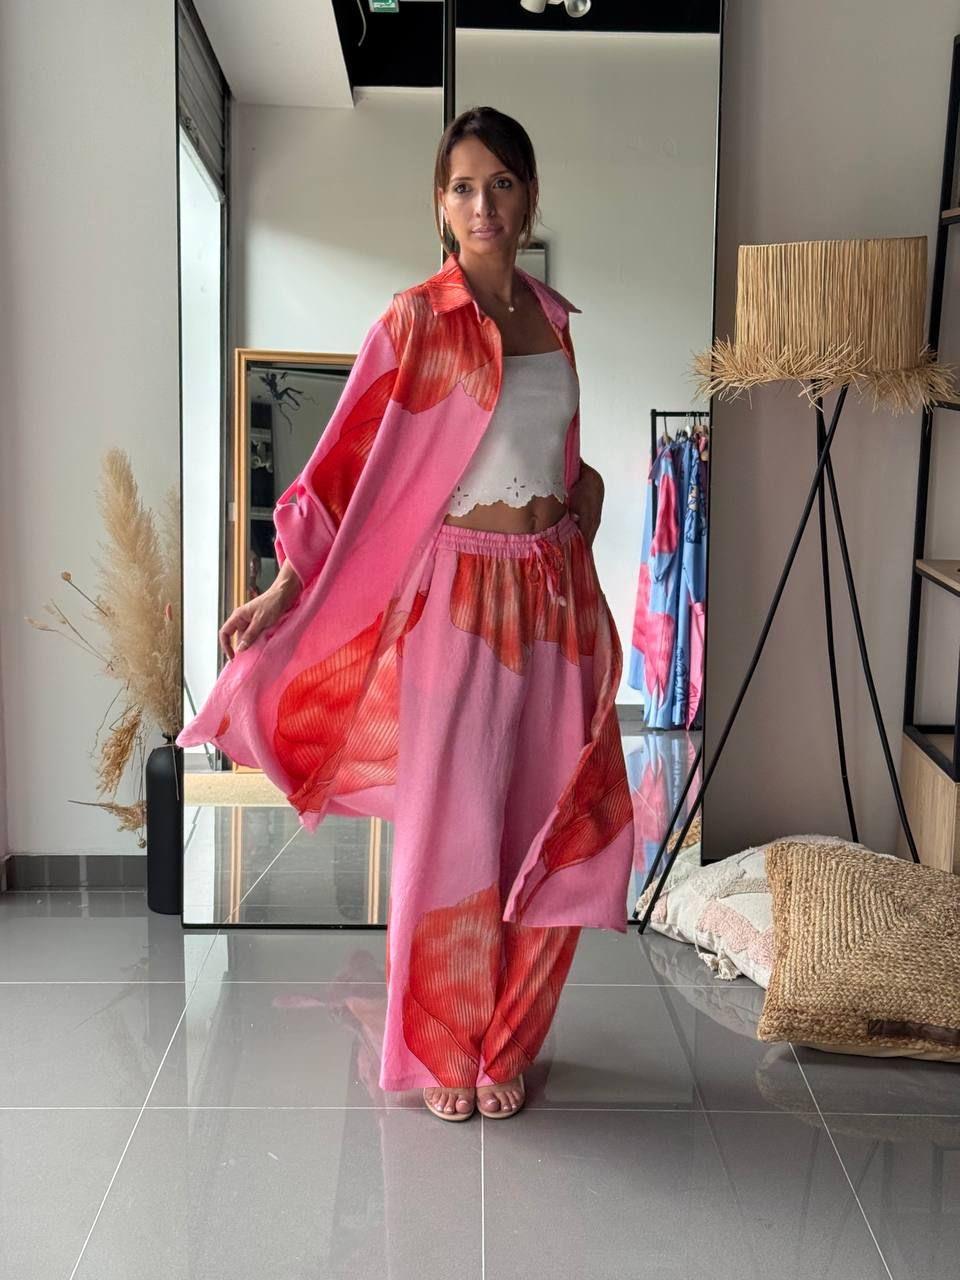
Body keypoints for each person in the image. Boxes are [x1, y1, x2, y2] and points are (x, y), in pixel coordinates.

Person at [177, 106, 638, 1123]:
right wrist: (284, 588)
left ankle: (506, 1041)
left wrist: (585, 499)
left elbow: (555, 456)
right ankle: (442, 1042)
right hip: (459, 602)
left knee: (549, 823)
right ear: (440, 204)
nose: (484, 204)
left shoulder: (554, 322)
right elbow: (342, 466)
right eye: (464, 186)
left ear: (529, 198)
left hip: (554, 600)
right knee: (452, 833)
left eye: (502, 183)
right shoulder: (415, 322)